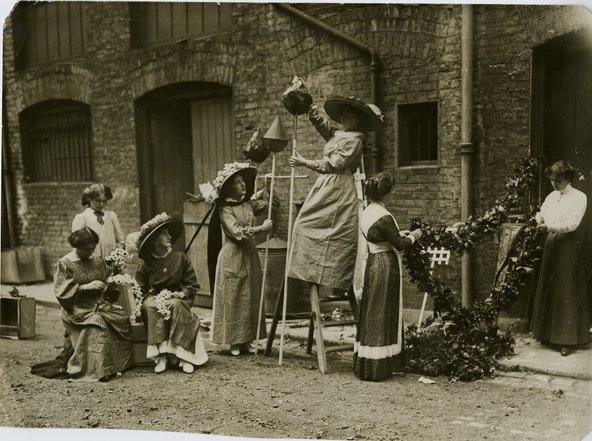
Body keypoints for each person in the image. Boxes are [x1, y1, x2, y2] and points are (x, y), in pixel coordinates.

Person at [288, 96, 383, 295]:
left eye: (349, 115)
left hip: (338, 188)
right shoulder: (339, 135)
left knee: (325, 230)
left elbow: (334, 164)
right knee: (301, 225)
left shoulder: (355, 141)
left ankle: (330, 279)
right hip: (324, 186)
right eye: (344, 113)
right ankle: (308, 271)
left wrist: (305, 162)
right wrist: (309, 107)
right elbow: (323, 126)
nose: (344, 117)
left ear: (358, 120)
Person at [352, 173, 422, 381]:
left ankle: (367, 363)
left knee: (373, 309)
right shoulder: (384, 215)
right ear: (387, 193)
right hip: (385, 264)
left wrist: (400, 233)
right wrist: (414, 236)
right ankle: (380, 366)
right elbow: (400, 244)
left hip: (373, 263)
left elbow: (381, 235)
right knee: (384, 309)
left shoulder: (367, 212)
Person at [46, 227, 132, 381]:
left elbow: (108, 278)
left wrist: (112, 281)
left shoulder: (97, 260)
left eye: (93, 248)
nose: (90, 252)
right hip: (76, 309)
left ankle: (119, 365)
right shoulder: (65, 264)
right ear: (76, 246)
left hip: (98, 305)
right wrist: (84, 287)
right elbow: (61, 292)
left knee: (122, 318)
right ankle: (99, 370)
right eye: (86, 249)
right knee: (97, 324)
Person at [210, 162, 272, 356]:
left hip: (249, 255)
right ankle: (234, 341)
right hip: (232, 256)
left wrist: (269, 190)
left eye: (243, 181)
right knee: (234, 297)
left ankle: (248, 339)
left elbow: (266, 205)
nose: (243, 184)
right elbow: (237, 233)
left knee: (250, 296)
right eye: (237, 182)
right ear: (229, 187)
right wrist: (262, 228)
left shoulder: (248, 203)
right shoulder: (225, 209)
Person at [135, 212, 209, 373]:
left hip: (177, 296)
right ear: (154, 241)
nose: (169, 237)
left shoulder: (180, 257)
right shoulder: (146, 262)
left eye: (169, 233)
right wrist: (142, 300)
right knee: (149, 307)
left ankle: (183, 356)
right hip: (155, 296)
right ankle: (160, 356)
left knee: (176, 305)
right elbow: (140, 288)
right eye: (164, 234)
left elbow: (192, 283)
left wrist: (182, 293)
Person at [530, 160, 590, 356]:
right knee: (550, 287)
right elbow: (543, 213)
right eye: (552, 180)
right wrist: (537, 219)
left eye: (559, 180)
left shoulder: (579, 198)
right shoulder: (552, 196)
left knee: (566, 290)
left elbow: (573, 224)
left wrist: (550, 227)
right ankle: (548, 335)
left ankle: (568, 340)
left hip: (568, 246)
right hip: (550, 245)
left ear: (569, 179)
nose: (555, 184)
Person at [72, 183, 125, 257]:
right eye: (98, 201)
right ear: (90, 199)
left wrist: (117, 258)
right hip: (91, 263)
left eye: (104, 201)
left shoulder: (111, 216)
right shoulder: (82, 218)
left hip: (111, 264)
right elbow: (78, 246)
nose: (101, 204)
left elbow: (120, 242)